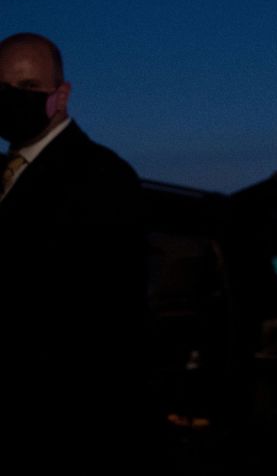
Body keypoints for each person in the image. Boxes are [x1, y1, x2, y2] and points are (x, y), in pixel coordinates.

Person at [0, 32, 147, 458]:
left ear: (60, 94)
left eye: (29, 87)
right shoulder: (8, 173)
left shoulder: (101, 178)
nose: (13, 99)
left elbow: (98, 329)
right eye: (3, 89)